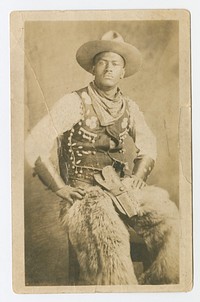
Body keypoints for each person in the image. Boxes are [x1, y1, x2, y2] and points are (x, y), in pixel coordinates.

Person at [25, 31, 179, 286]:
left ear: (123, 71)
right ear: (93, 68)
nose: (109, 68)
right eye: (103, 62)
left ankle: (155, 289)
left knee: (169, 218)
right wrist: (60, 188)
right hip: (85, 196)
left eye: (115, 63)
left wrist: (138, 178)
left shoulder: (129, 107)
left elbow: (149, 145)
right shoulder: (73, 102)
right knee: (110, 237)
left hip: (120, 190)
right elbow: (35, 143)